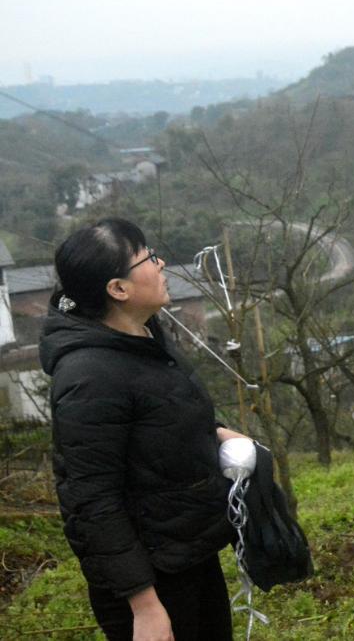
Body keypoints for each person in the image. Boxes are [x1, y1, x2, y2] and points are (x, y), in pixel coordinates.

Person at [40, 218, 246, 641]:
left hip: (185, 555)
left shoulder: (144, 334)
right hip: (151, 582)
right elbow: (91, 501)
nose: (161, 262)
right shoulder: (89, 377)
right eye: (148, 257)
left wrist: (219, 433)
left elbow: (161, 413)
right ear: (118, 289)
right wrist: (145, 606)